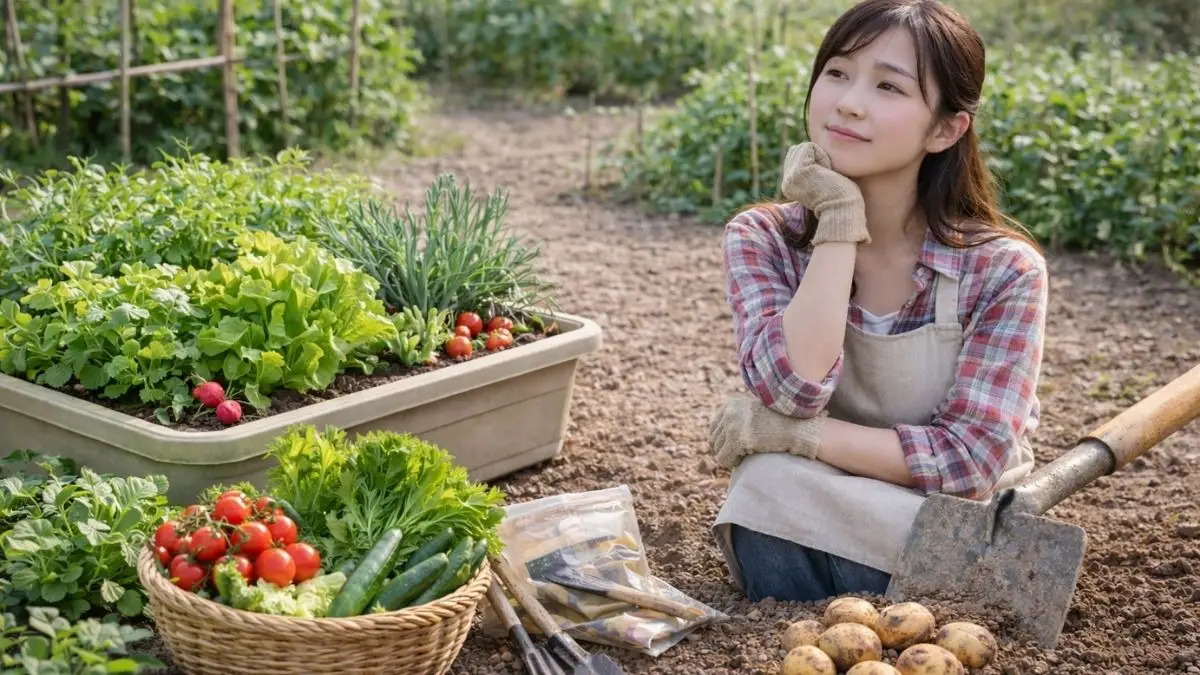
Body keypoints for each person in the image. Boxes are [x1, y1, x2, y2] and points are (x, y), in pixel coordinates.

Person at [708, 0, 1048, 603]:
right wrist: (838, 219)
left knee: (779, 478)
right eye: (837, 73)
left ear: (945, 129)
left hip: (945, 513)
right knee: (762, 484)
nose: (848, 102)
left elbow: (969, 460)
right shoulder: (763, 238)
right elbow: (793, 390)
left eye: (888, 86)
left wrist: (800, 438)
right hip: (826, 494)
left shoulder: (1003, 270)